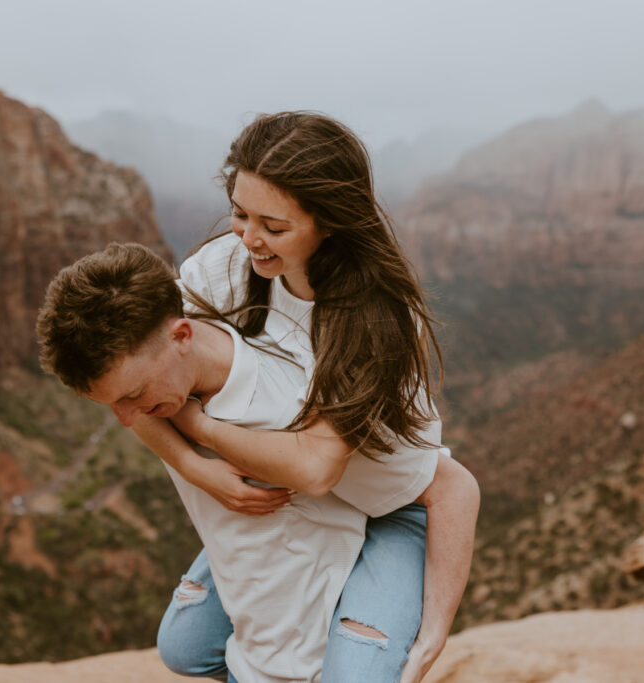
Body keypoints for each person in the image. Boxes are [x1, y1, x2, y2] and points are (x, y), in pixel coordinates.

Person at [131, 111, 479, 683]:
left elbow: (323, 470)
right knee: (185, 648)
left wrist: (434, 629)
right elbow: (135, 371)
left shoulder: (377, 318)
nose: (248, 238)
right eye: (240, 214)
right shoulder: (226, 266)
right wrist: (200, 472)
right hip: (297, 496)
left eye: (274, 225)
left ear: (331, 223)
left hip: (389, 508)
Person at [37, 243, 374, 681]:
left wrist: (199, 429)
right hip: (262, 558)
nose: (125, 419)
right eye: (111, 403)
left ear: (182, 336)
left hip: (309, 582)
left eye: (132, 396)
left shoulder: (282, 409)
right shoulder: (156, 340)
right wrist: (196, 468)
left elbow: (319, 478)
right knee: (182, 648)